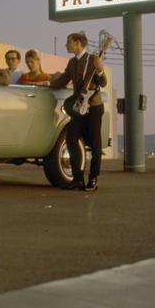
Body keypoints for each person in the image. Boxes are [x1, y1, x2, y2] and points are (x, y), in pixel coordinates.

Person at [50, 32, 107, 192]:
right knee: (71, 138)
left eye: (68, 42)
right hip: (78, 106)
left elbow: (103, 82)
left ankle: (93, 178)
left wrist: (100, 70)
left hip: (94, 107)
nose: (66, 45)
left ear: (77, 43)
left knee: (95, 143)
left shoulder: (93, 60)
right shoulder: (72, 62)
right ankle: (77, 179)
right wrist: (49, 83)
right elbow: (63, 80)